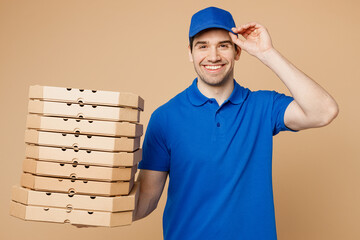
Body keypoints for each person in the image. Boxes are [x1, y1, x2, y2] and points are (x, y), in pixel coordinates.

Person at [134, 6, 339, 240]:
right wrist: (92, 212)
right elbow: (146, 199)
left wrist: (267, 53)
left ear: (237, 51)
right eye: (203, 46)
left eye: (223, 45)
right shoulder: (165, 118)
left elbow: (324, 111)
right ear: (190, 52)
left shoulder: (263, 106)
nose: (213, 56)